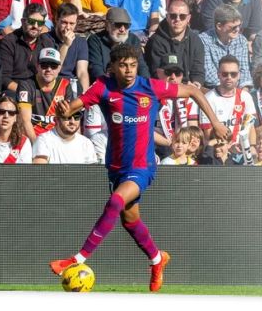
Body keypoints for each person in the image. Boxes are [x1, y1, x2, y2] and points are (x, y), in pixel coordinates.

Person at [49, 44, 229, 292]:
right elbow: (72, 108)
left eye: (133, 65)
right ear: (113, 67)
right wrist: (64, 110)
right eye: (123, 65)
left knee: (115, 202)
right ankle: (157, 259)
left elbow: (192, 92)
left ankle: (77, 259)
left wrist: (216, 123)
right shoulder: (104, 87)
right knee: (129, 218)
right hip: (116, 167)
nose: (129, 70)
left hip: (143, 165)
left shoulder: (150, 87)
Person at [199, 55, 257, 162]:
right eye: (225, 74)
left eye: (233, 74)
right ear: (218, 75)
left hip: (241, 152)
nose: (229, 77)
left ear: (239, 75)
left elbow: (251, 127)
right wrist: (229, 147)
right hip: (218, 152)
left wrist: (252, 146)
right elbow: (208, 134)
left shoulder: (246, 96)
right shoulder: (209, 98)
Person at [16, 48, 76, 143]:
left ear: (59, 68)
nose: (49, 69)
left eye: (54, 66)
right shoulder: (26, 85)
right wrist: (37, 146)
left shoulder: (65, 84)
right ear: (37, 66)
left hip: (57, 139)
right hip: (33, 139)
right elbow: (25, 121)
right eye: (44, 65)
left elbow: (69, 121)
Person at [0, 3, 55, 98]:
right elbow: (4, 78)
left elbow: (53, 72)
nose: (35, 26)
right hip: (14, 92)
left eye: (40, 23)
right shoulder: (8, 42)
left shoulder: (47, 43)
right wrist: (27, 92)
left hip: (40, 91)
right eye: (32, 21)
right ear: (23, 21)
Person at [145, 0, 205, 87]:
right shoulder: (155, 41)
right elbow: (156, 73)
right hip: (164, 88)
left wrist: (196, 84)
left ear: (188, 18)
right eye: (173, 16)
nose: (177, 19)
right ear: (167, 17)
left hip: (190, 88)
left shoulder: (196, 41)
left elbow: (198, 71)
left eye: (182, 16)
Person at [153, 54, 199, 160]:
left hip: (182, 145)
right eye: (168, 72)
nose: (173, 77)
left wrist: (189, 144)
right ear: (159, 73)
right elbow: (145, 130)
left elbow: (193, 128)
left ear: (182, 75)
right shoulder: (150, 97)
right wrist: (169, 143)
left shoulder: (189, 98)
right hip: (157, 145)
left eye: (177, 73)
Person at [87, 7, 150, 83]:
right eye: (118, 25)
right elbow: (96, 69)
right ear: (107, 25)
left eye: (126, 25)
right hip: (105, 85)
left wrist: (146, 85)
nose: (122, 29)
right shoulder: (95, 40)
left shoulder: (133, 40)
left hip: (130, 85)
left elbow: (141, 66)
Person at [199, 4, 253, 90]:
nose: (238, 30)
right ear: (219, 26)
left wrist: (244, 90)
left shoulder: (241, 40)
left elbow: (244, 70)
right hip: (215, 89)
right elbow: (209, 73)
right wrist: (229, 88)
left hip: (238, 89)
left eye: (239, 26)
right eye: (234, 27)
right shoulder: (203, 40)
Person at [44, 3, 89, 97]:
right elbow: (53, 68)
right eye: (64, 22)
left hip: (71, 85)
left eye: (72, 23)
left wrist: (84, 96)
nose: (68, 27)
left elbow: (82, 72)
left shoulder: (81, 41)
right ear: (56, 20)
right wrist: (66, 45)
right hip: (51, 83)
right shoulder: (45, 39)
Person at [198, 0, 262, 41]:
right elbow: (211, 29)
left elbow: (254, 31)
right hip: (217, 43)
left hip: (245, 46)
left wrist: (254, 43)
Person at [32, 111, 97, 164]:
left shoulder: (86, 143)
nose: (72, 121)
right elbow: (40, 172)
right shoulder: (43, 140)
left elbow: (92, 174)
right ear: (56, 120)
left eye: (76, 117)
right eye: (67, 117)